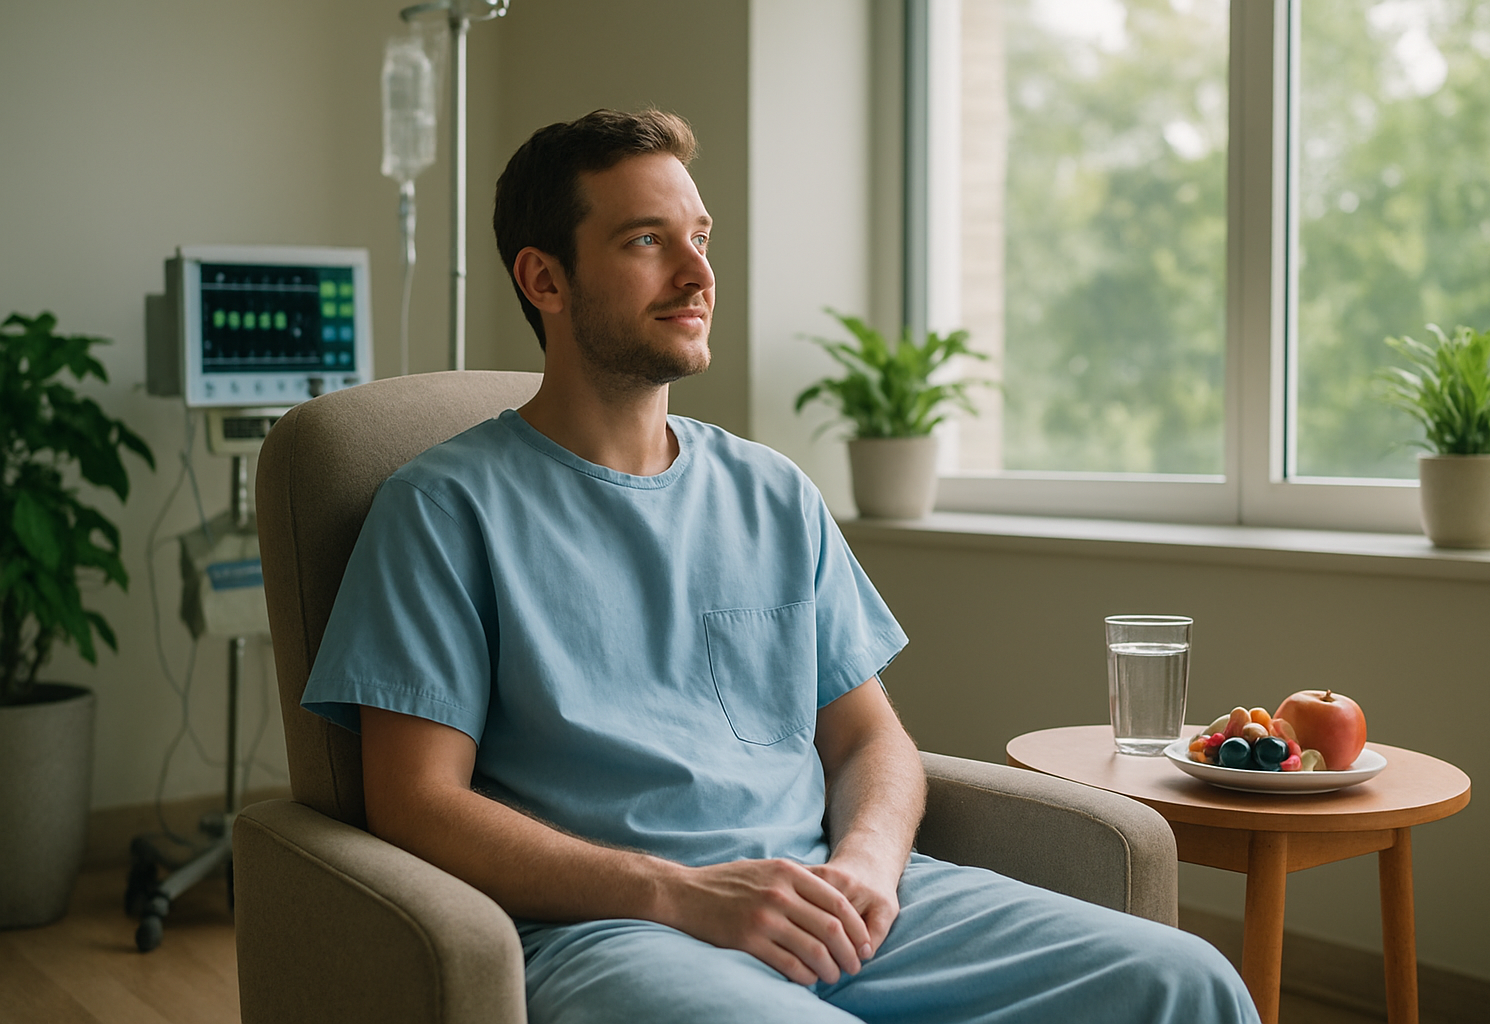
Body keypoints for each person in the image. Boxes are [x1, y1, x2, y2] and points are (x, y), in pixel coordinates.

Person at [301, 108, 1258, 1024]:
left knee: (1185, 985)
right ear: (544, 280)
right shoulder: (441, 510)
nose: (696, 274)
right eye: (646, 241)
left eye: (700, 238)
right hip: (622, 931)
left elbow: (868, 740)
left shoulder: (772, 493)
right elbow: (416, 801)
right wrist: (682, 895)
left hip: (837, 902)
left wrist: (868, 869)